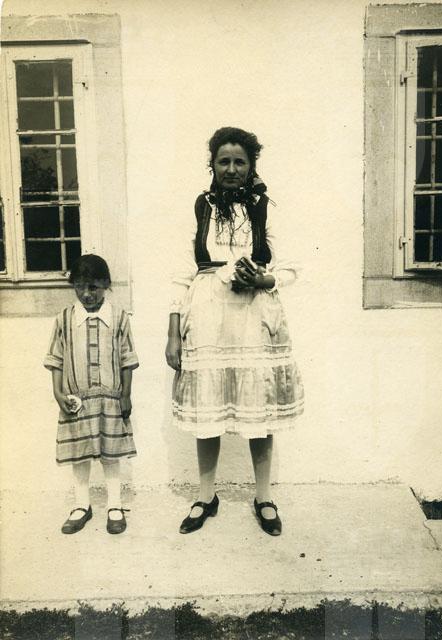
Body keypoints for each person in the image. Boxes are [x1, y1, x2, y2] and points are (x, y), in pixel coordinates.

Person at [166, 127, 304, 536]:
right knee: (207, 411)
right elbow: (180, 274)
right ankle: (206, 496)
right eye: (223, 161)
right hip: (207, 318)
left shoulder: (265, 208)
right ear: (211, 164)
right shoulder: (200, 209)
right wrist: (173, 333)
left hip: (253, 319)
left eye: (239, 162)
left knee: (258, 410)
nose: (231, 169)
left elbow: (292, 267)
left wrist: (263, 279)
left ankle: (264, 497)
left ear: (251, 165)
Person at [44, 254, 139, 535]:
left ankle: (115, 504)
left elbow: (127, 359)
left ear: (106, 284)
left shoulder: (119, 318)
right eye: (80, 287)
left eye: (94, 287)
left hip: (110, 399)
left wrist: (126, 395)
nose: (87, 294)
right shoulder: (64, 319)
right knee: (79, 453)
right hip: (77, 401)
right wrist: (58, 393)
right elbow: (56, 359)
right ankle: (81, 505)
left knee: (111, 454)